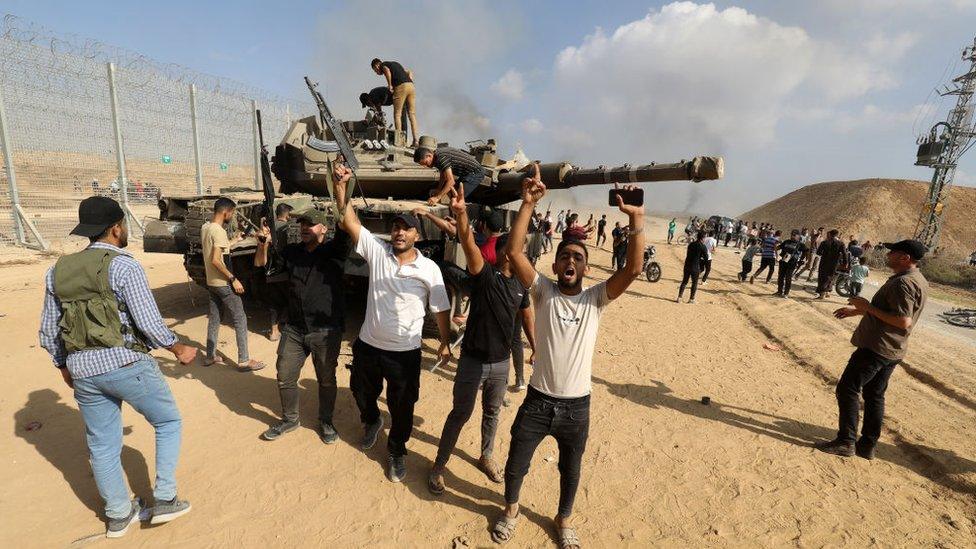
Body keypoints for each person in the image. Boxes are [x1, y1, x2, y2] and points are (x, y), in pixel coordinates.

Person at [490, 177, 645, 548]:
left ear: (587, 268)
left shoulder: (596, 299)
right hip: (538, 401)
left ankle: (564, 520)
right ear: (556, 265)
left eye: (578, 257)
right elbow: (514, 253)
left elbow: (633, 270)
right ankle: (511, 511)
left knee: (570, 471)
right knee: (516, 462)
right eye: (565, 256)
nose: (571, 261)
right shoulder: (543, 291)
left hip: (577, 407)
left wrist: (637, 218)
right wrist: (527, 203)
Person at [38, 196, 197, 537]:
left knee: (102, 444)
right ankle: (166, 498)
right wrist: (179, 347)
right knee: (168, 421)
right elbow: (150, 324)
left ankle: (118, 515)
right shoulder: (124, 265)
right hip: (126, 362)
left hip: (83, 371)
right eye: (123, 225)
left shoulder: (58, 271)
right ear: (115, 228)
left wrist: (64, 366)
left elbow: (50, 331)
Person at [334, 163, 452, 483]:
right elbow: (349, 220)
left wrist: (444, 341)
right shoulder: (378, 251)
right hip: (369, 345)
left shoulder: (429, 270)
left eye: (406, 228)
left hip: (405, 353)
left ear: (417, 234)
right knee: (360, 391)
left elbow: (440, 308)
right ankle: (372, 421)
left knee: (402, 408)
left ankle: (397, 450)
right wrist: (340, 186)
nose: (399, 232)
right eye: (396, 227)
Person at [428, 181, 532, 495]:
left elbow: (526, 314)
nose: (516, 255)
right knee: (460, 413)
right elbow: (470, 247)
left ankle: (486, 455)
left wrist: (535, 345)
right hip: (472, 361)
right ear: (502, 254)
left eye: (520, 251)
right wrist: (460, 216)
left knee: (493, 412)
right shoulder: (486, 276)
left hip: (500, 365)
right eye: (512, 251)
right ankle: (439, 465)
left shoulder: (521, 287)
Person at [254, 182, 352, 443]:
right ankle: (290, 419)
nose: (305, 228)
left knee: (326, 379)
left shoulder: (335, 251)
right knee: (285, 375)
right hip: (295, 328)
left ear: (323, 228)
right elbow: (261, 265)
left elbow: (345, 221)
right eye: (302, 224)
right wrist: (263, 244)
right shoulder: (292, 252)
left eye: (310, 224)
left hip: (326, 330)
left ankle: (326, 421)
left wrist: (341, 188)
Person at [819, 240, 928, 458]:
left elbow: (903, 321)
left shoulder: (903, 283)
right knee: (874, 395)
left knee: (848, 389)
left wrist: (866, 307)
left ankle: (846, 441)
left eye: (892, 253)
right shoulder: (917, 279)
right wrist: (859, 311)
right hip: (892, 349)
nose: (888, 255)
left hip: (877, 348)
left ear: (905, 258)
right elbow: (890, 312)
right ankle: (867, 445)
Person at [201, 198, 265, 371]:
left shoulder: (206, 228)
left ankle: (210, 356)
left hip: (211, 282)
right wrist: (233, 278)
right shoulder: (219, 231)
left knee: (215, 318)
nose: (233, 216)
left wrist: (234, 241)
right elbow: (216, 260)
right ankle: (244, 361)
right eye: (233, 213)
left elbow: (215, 251)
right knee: (240, 318)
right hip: (223, 283)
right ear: (226, 212)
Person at [414, 146, 486, 205]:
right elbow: (443, 174)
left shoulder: (441, 157)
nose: (427, 166)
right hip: (466, 174)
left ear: (429, 155)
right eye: (424, 165)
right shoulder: (437, 156)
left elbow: (451, 181)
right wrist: (439, 189)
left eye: (426, 163)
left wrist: (437, 197)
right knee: (452, 195)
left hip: (475, 173)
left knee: (457, 201)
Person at [370, 58, 419, 146]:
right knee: (412, 114)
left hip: (401, 87)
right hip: (411, 86)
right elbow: (409, 72)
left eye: (375, 70)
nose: (377, 73)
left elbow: (386, 70)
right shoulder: (395, 64)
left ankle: (399, 140)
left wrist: (390, 85)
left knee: (397, 114)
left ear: (377, 65)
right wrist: (409, 80)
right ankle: (416, 140)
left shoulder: (383, 65)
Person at [265, 202, 294, 342]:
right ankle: (286, 325)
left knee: (274, 301)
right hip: (284, 270)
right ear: (287, 215)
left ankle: (274, 331)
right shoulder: (287, 227)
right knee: (289, 298)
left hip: (270, 269)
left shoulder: (269, 227)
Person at [677, 231, 708, 303]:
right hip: (695, 266)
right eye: (705, 237)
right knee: (694, 283)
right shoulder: (703, 246)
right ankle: (691, 299)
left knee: (684, 281)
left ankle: (679, 297)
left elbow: (688, 254)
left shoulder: (691, 244)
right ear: (703, 238)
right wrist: (701, 260)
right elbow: (706, 258)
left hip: (687, 264)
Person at [816, 229, 847, 299]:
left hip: (824, 262)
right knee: (830, 277)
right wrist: (845, 263)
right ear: (837, 235)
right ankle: (828, 292)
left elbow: (818, 253)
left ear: (830, 234)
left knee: (822, 277)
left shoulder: (824, 242)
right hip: (834, 264)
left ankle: (822, 294)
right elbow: (844, 254)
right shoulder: (841, 243)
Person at [775, 230, 806, 298]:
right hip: (783, 261)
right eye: (792, 234)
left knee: (788, 278)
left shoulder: (800, 244)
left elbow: (806, 251)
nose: (792, 236)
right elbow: (779, 247)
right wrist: (774, 247)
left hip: (792, 263)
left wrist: (801, 260)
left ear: (798, 236)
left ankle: (786, 293)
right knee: (780, 277)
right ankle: (779, 291)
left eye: (794, 235)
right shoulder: (786, 241)